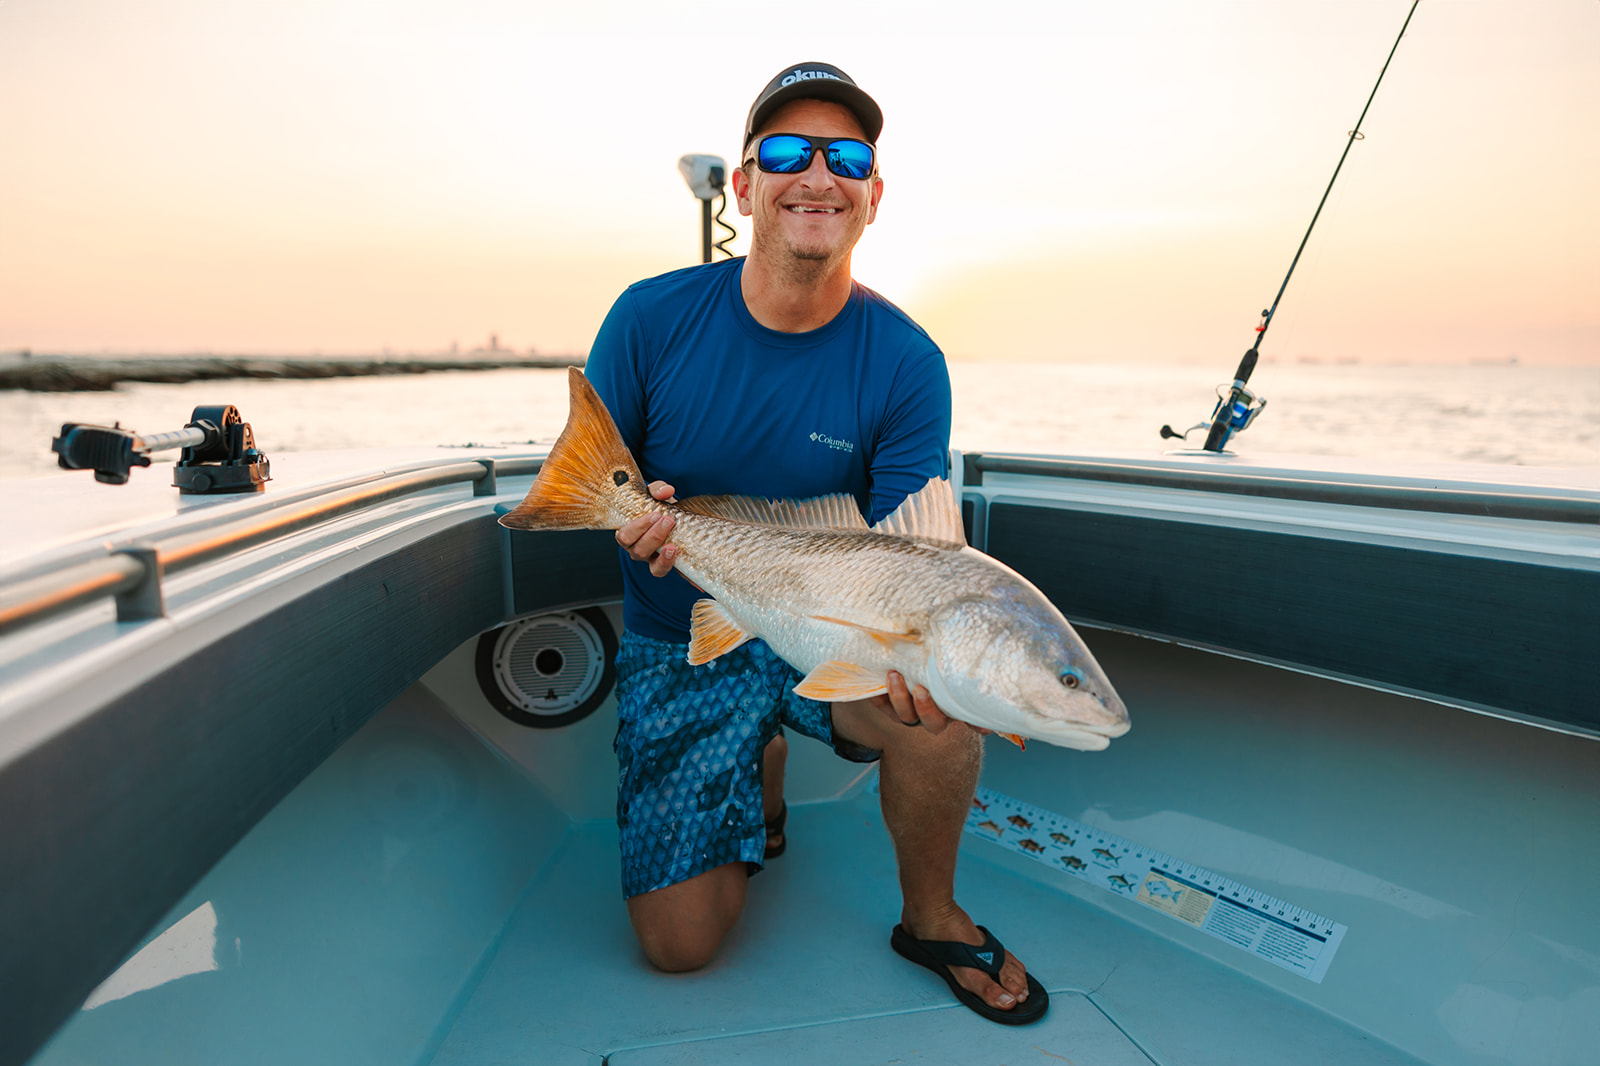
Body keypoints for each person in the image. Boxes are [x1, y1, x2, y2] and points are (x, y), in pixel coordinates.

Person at [583, 61, 1046, 1025]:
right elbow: (597, 472)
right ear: (747, 184)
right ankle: (759, 770)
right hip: (686, 635)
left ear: (874, 196)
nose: (818, 175)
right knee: (680, 948)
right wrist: (633, 517)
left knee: (943, 707)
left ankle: (931, 914)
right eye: (787, 152)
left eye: (848, 157)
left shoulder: (908, 361)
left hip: (828, 640)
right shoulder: (650, 315)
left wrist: (926, 657)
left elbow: (908, 549)